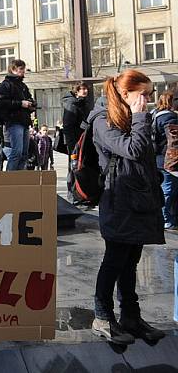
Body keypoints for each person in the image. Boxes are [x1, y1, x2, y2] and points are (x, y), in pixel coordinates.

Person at [89, 70, 165, 345]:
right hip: (119, 198)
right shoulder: (103, 120)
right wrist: (141, 117)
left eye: (149, 94)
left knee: (131, 260)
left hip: (138, 198)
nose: (147, 99)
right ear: (125, 94)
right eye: (143, 94)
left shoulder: (130, 117)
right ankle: (102, 315)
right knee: (114, 259)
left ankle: (131, 315)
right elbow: (131, 149)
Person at [0, 60, 36, 171]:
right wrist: (21, 103)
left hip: (24, 121)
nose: (23, 71)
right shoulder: (6, 84)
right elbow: (2, 102)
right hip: (13, 121)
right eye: (21, 69)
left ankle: (19, 179)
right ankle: (10, 179)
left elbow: (29, 98)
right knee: (16, 152)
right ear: (13, 69)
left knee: (24, 153)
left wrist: (32, 104)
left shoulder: (22, 85)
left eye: (23, 68)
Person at [151, 89, 178, 229]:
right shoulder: (170, 118)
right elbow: (174, 141)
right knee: (168, 190)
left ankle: (165, 218)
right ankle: (166, 219)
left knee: (164, 189)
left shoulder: (154, 114)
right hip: (168, 161)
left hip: (157, 159)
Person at [62, 81, 91, 152]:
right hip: (75, 140)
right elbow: (68, 124)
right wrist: (72, 144)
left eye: (86, 89)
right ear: (76, 91)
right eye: (83, 89)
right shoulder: (72, 104)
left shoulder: (82, 102)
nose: (86, 91)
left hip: (83, 137)